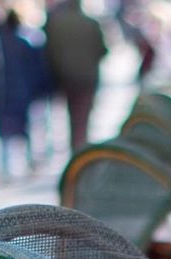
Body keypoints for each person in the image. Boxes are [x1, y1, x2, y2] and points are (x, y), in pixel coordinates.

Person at [0, 7, 49, 180]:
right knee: (24, 129)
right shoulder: (23, 43)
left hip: (6, 92)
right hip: (22, 91)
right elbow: (36, 69)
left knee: (5, 132)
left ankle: (6, 168)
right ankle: (25, 163)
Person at [42, 0, 105, 152]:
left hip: (66, 78)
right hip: (86, 78)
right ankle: (79, 148)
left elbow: (49, 52)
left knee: (72, 116)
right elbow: (102, 50)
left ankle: (77, 149)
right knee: (82, 119)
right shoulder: (91, 23)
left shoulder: (55, 24)